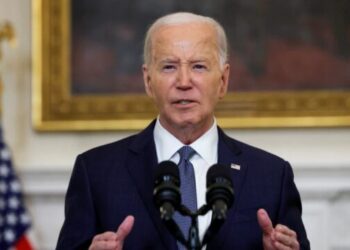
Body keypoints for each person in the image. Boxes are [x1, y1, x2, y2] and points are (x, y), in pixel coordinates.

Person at [56, 12, 310, 250]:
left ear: (223, 81)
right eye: (169, 67)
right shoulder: (96, 173)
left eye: (199, 66)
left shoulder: (271, 176)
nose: (184, 82)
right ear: (148, 81)